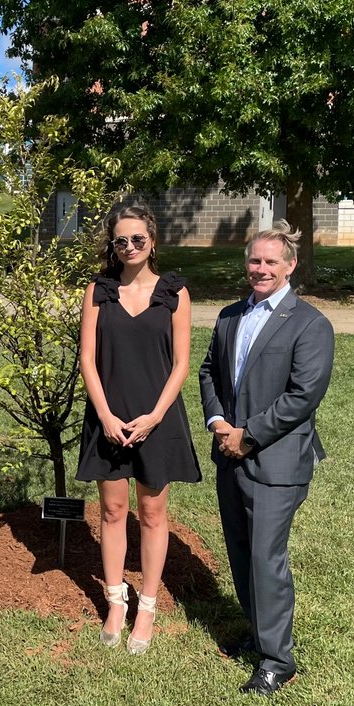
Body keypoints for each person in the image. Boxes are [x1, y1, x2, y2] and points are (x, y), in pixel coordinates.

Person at [199, 220, 335, 696]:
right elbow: (210, 371)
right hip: (228, 453)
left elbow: (303, 396)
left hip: (276, 462)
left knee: (265, 557)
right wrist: (219, 424)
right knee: (240, 553)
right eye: (254, 260)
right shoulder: (231, 315)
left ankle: (279, 659)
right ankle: (259, 634)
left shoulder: (310, 324)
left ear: (290, 266)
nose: (260, 269)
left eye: (270, 262)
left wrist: (249, 435)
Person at [76, 204, 202, 655]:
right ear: (112, 245)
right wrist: (106, 416)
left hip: (157, 418)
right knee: (111, 511)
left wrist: (154, 416)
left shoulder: (175, 292)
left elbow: (182, 363)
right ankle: (115, 600)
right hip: (108, 416)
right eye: (121, 241)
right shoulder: (98, 290)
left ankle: (146, 606)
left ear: (153, 241)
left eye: (138, 239)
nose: (130, 247)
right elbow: (87, 359)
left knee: (151, 513)